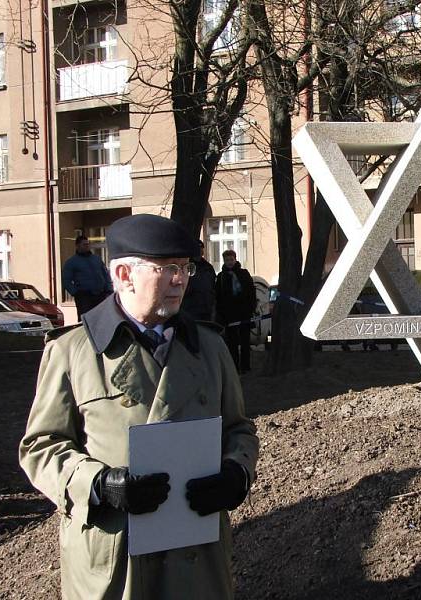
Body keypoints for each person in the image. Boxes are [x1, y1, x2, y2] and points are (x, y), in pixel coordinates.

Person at [20, 214, 259, 600]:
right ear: (124, 275)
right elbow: (41, 447)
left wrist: (236, 473)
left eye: (185, 268)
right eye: (166, 268)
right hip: (115, 560)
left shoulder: (210, 348)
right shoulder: (72, 351)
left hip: (195, 555)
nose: (180, 280)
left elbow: (238, 430)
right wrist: (99, 485)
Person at [215, 250, 256, 373]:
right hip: (230, 314)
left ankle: (245, 366)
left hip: (244, 312)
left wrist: (252, 308)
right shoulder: (221, 277)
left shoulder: (243, 273)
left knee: (245, 341)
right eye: (227, 260)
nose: (229, 262)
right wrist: (222, 314)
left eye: (231, 260)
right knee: (232, 343)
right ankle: (234, 367)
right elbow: (218, 296)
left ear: (235, 259)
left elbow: (251, 291)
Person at [62, 234, 113, 317]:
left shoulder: (96, 259)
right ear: (77, 246)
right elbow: (66, 280)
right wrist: (76, 293)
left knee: (102, 318)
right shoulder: (71, 262)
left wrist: (109, 289)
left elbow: (105, 274)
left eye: (88, 244)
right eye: (84, 244)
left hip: (100, 295)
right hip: (84, 297)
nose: (87, 246)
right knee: (86, 320)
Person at [181, 240, 217, 321]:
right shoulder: (186, 266)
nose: (200, 251)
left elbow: (213, 286)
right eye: (197, 248)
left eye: (201, 248)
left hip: (207, 308)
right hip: (191, 308)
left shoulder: (208, 267)